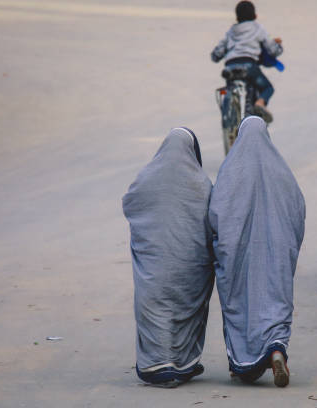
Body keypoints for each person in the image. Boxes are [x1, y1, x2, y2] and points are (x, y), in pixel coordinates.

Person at [209, 116, 305, 387]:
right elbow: (298, 212)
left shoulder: (230, 171)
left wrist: (222, 247)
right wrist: (287, 246)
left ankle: (244, 365)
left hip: (239, 258)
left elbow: (216, 214)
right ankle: (275, 349)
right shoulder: (282, 172)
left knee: (240, 305)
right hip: (276, 256)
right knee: (275, 301)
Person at [122, 128, 215, 387]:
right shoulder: (202, 183)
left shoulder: (146, 178)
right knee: (185, 310)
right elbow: (213, 220)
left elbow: (130, 201)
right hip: (189, 266)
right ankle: (182, 362)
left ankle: (158, 363)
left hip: (154, 262)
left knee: (157, 308)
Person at [211, 1, 283, 123]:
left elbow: (216, 55)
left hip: (230, 67)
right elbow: (273, 49)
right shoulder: (257, 28)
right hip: (249, 66)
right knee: (268, 88)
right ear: (255, 16)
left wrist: (218, 55)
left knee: (230, 89)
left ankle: (230, 116)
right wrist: (278, 47)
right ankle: (260, 104)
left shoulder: (231, 31)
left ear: (237, 17)